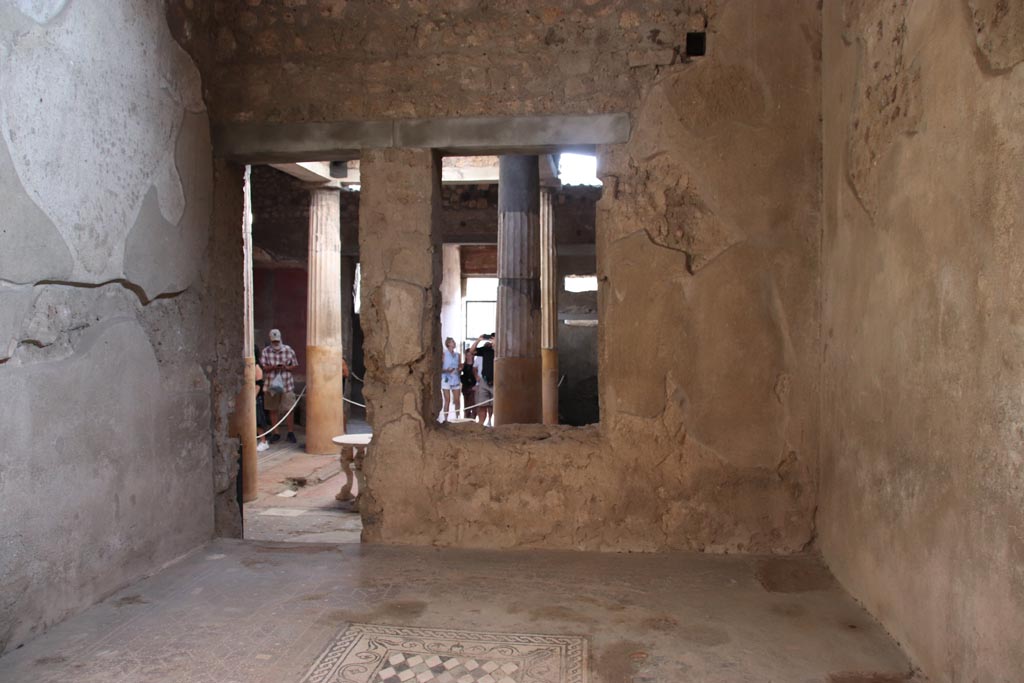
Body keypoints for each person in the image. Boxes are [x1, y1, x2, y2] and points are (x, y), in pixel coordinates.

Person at [259, 328, 299, 444]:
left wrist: (285, 367)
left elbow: (294, 365)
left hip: (286, 383)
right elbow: (264, 367)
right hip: (271, 383)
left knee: (289, 408)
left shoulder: (288, 350)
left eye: (277, 341)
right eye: (274, 342)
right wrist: (274, 367)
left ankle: (290, 432)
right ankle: (276, 432)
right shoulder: (266, 351)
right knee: (273, 409)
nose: (276, 343)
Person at [473, 333, 495, 427]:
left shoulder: (502, 349)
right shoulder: (486, 349)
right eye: (491, 339)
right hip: (484, 380)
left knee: (495, 405)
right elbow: (471, 351)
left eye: (494, 339)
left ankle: (492, 423)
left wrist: (496, 345)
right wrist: (478, 340)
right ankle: (481, 425)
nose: (492, 341)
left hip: (497, 381)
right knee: (482, 405)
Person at [440, 337, 462, 422]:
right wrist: (446, 370)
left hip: (455, 378)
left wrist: (460, 368)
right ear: (448, 344)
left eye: (454, 341)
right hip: (446, 378)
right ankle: (445, 418)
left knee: (457, 399)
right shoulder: (444, 354)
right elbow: (440, 367)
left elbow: (460, 365)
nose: (454, 343)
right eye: (452, 341)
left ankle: (457, 416)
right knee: (447, 399)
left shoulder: (458, 355)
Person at [254, 344, 269, 452]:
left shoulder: (256, 366)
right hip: (252, 396)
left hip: (256, 397)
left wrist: (253, 397)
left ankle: (264, 441)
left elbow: (258, 383)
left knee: (258, 420)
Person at [461, 340, 478, 419]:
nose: (469, 356)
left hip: (474, 386)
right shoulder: (463, 365)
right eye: (467, 355)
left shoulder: (476, 364)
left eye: (470, 355)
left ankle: (473, 417)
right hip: (466, 386)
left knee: (473, 402)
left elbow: (477, 375)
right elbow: (460, 375)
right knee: (466, 403)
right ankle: (466, 417)